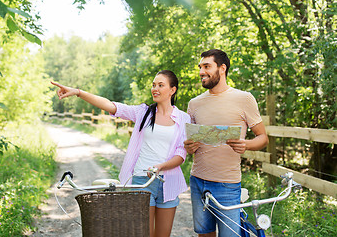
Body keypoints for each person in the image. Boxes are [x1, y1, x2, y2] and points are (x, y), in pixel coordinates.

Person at [51, 70, 191, 237]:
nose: (155, 88)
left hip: (169, 182)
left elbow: (181, 154)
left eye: (161, 85)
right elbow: (110, 105)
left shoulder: (183, 119)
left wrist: (161, 166)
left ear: (172, 90)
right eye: (153, 85)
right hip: (142, 181)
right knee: (143, 234)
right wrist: (79, 93)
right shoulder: (143, 113)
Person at [184, 49, 269, 237]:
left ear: (222, 68)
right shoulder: (194, 104)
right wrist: (188, 146)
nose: (201, 71)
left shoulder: (244, 98)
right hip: (198, 180)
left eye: (207, 66)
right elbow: (189, 142)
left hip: (227, 184)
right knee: (204, 234)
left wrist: (246, 144)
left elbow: (263, 137)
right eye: (200, 67)